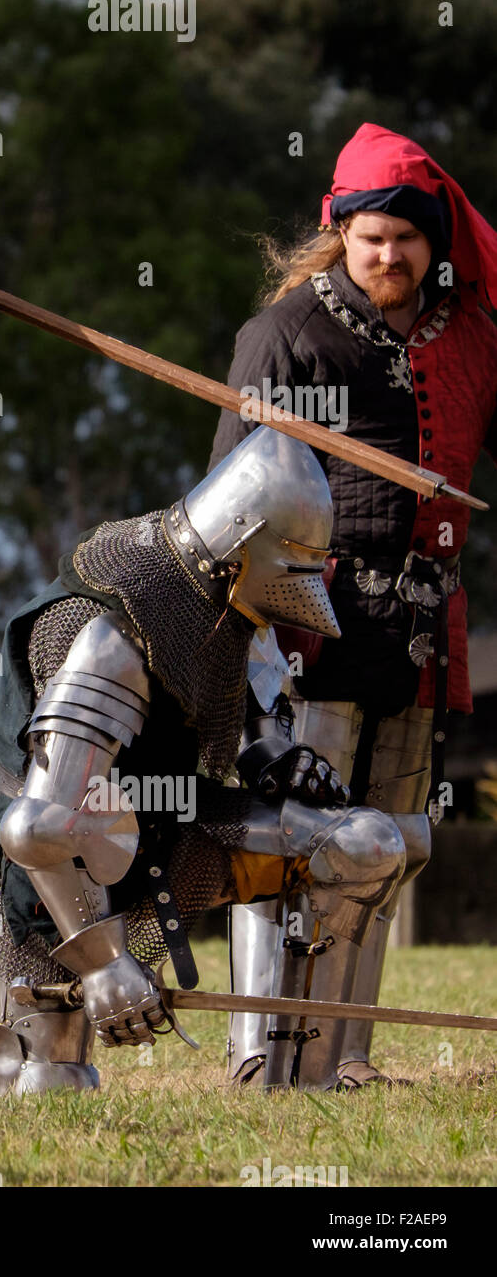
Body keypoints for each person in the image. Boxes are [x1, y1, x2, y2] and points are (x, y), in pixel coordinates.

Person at [0, 428, 402, 1094]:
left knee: (362, 842)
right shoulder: (108, 638)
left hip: (167, 825)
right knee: (43, 1086)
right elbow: (38, 828)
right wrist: (103, 964)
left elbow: (246, 711)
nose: (300, 589)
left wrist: (279, 760)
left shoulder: (216, 598)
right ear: (241, 550)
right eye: (291, 565)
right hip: (54, 874)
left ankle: (303, 1077)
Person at [210, 123, 497, 1086]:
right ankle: (261, 1048)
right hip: (310, 629)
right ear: (341, 233)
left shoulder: (470, 341)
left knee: (389, 846)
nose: (390, 255)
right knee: (292, 841)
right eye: (372, 236)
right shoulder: (285, 335)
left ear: (433, 244)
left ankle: (347, 1055)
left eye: (407, 239)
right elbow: (228, 500)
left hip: (421, 637)